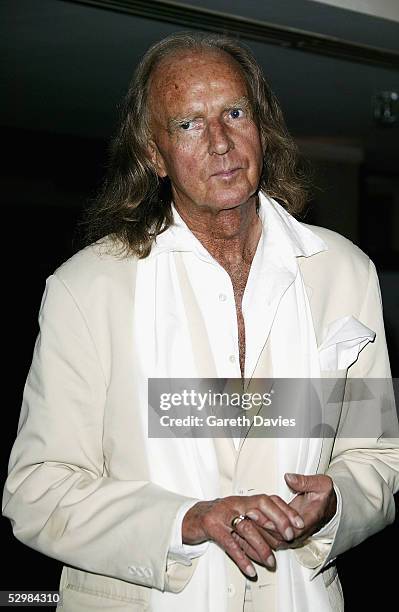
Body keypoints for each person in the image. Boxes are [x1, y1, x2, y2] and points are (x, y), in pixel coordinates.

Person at [2, 32, 399, 612]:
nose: (220, 142)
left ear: (259, 126)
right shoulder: (87, 289)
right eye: (188, 123)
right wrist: (184, 520)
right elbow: (36, 490)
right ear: (153, 154)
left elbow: (378, 456)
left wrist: (337, 500)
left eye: (234, 112)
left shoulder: (342, 273)